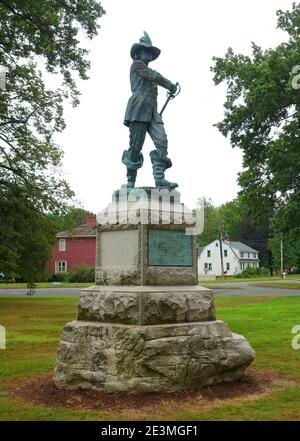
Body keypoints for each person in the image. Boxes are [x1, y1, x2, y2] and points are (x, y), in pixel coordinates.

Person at [122, 32, 179, 190]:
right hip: (138, 109)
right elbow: (154, 76)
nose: (148, 54)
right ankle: (130, 182)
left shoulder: (146, 70)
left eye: (150, 52)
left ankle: (160, 179)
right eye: (146, 51)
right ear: (139, 53)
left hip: (152, 111)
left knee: (162, 142)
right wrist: (169, 85)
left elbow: (154, 78)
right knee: (135, 146)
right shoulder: (137, 65)